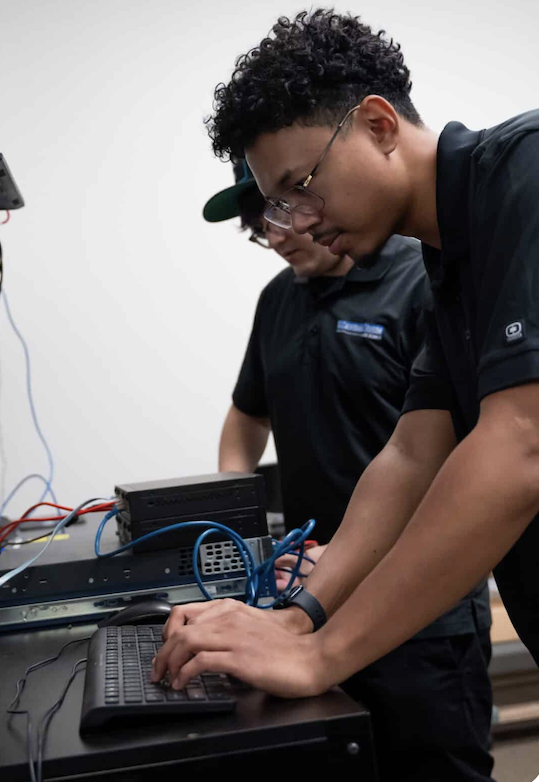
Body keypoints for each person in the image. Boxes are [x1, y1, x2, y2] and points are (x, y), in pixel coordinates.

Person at [154, 7, 539, 729]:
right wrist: (299, 619)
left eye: (302, 184)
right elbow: (411, 454)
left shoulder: (526, 170)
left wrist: (322, 656)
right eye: (277, 205)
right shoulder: (451, 262)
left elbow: (522, 445)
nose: (295, 222)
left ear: (379, 125)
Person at [203, 165, 493, 781]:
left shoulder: (422, 280)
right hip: (312, 595)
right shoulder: (278, 300)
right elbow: (245, 415)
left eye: (281, 215)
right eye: (260, 228)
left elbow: (449, 452)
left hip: (422, 609)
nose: (276, 237)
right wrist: (238, 512)